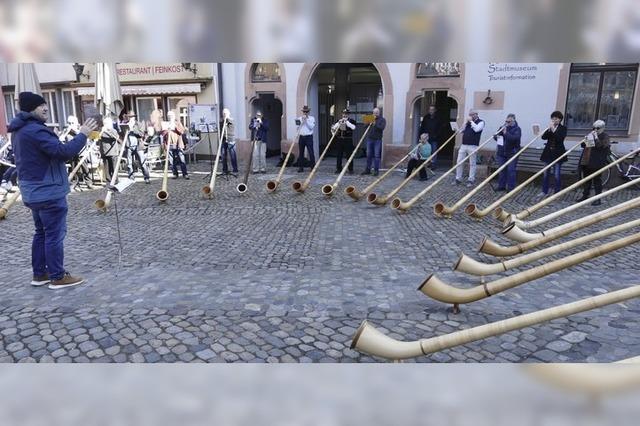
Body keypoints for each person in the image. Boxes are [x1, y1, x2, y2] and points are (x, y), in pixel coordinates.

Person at [9, 91, 98, 289]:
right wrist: (83, 134)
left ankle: (40, 274)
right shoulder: (36, 130)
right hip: (47, 190)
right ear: (32, 109)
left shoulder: (20, 130)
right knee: (53, 235)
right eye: (42, 105)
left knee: (41, 232)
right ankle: (57, 276)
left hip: (32, 190)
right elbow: (63, 153)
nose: (46, 107)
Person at [578, 119, 610, 206]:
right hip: (587, 161)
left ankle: (597, 199)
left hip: (597, 162)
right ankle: (585, 195)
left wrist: (596, 137)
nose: (595, 129)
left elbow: (601, 146)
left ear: (602, 128)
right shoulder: (591, 134)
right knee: (587, 179)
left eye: (598, 128)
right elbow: (583, 145)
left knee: (597, 180)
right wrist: (586, 139)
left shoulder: (605, 136)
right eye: (594, 127)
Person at [539, 111, 568, 197]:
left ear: (560, 119)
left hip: (558, 154)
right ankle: (544, 191)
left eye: (555, 118)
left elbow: (559, 138)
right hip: (548, 153)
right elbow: (543, 137)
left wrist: (553, 130)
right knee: (545, 173)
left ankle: (557, 192)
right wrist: (549, 130)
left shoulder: (563, 129)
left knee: (556, 174)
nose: (554, 120)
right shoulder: (550, 128)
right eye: (552, 118)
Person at [455, 109, 485, 187]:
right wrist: (463, 124)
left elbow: (477, 129)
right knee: (459, 162)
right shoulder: (468, 123)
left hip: (473, 146)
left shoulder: (481, 122)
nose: (470, 116)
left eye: (472, 114)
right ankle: (458, 178)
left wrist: (471, 122)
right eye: (470, 115)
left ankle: (471, 180)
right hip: (464, 145)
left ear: (476, 114)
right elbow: (461, 131)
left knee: (472, 163)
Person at [494, 113, 521, 192]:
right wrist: (497, 136)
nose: (507, 123)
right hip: (502, 153)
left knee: (511, 170)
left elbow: (514, 139)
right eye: (506, 121)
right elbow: (496, 137)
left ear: (514, 121)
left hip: (512, 153)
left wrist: (505, 133)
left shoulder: (517, 129)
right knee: (502, 170)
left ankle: (511, 188)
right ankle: (501, 186)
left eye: (509, 122)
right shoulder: (502, 127)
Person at [124, 111, 150, 184]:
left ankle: (146, 177)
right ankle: (131, 178)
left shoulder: (139, 124)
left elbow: (141, 134)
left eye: (132, 117)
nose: (130, 118)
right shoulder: (125, 124)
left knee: (142, 162)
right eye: (129, 117)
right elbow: (121, 134)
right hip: (129, 145)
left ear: (134, 117)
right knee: (129, 163)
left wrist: (132, 129)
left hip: (138, 146)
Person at [361, 107, 386, 176]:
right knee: (368, 155)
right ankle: (368, 170)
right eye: (374, 113)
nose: (375, 114)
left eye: (377, 113)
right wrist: (367, 121)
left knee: (376, 155)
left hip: (377, 140)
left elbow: (382, 128)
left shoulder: (382, 119)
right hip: (370, 139)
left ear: (379, 113)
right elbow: (364, 126)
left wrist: (375, 124)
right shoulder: (371, 117)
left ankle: (376, 170)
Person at [164, 111, 189, 179]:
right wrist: (166, 130)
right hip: (170, 144)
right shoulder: (166, 124)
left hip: (178, 144)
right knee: (172, 161)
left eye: (171, 116)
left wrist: (175, 126)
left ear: (174, 116)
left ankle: (185, 174)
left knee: (182, 159)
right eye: (168, 116)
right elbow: (163, 134)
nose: (170, 117)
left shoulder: (177, 123)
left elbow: (182, 131)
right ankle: (175, 174)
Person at [331, 108, 356, 174]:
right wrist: (338, 123)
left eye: (346, 114)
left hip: (348, 139)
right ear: (342, 114)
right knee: (339, 155)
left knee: (349, 155)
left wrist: (347, 122)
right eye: (344, 113)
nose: (345, 115)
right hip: (340, 139)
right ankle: (339, 169)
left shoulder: (352, 121)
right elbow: (333, 128)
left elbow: (353, 127)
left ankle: (350, 169)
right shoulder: (339, 121)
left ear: (348, 114)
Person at [98, 116, 120, 182]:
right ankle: (108, 181)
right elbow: (98, 137)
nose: (105, 125)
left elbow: (114, 138)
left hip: (112, 152)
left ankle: (115, 181)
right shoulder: (101, 131)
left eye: (106, 123)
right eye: (104, 123)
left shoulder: (113, 131)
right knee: (107, 170)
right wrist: (102, 131)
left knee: (114, 168)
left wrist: (106, 132)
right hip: (104, 152)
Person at [296, 105, 316, 172]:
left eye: (306, 111)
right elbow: (297, 128)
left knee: (311, 152)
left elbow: (311, 127)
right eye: (304, 111)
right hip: (301, 137)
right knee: (301, 153)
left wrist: (306, 121)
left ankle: (312, 167)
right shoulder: (299, 118)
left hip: (309, 137)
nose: (305, 113)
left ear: (309, 112)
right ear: (303, 112)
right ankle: (300, 167)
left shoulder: (312, 118)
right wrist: (302, 121)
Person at [220, 108, 238, 174]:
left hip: (231, 140)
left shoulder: (231, 120)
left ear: (228, 113)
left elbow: (230, 126)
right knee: (223, 155)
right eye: (223, 113)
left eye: (225, 113)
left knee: (233, 155)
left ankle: (235, 170)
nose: (224, 114)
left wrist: (226, 119)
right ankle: (225, 170)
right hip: (224, 140)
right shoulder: (222, 121)